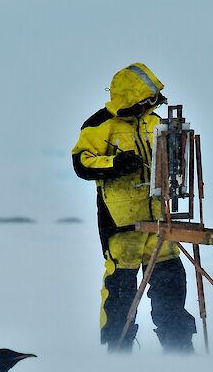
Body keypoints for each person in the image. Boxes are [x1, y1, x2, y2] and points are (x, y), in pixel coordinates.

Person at [71, 63, 196, 353]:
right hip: (122, 228)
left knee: (171, 288)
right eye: (145, 100)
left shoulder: (155, 124)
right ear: (132, 97)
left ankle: (180, 350)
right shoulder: (100, 125)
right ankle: (118, 351)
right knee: (120, 295)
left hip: (159, 225)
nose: (150, 105)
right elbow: (81, 162)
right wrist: (115, 164)